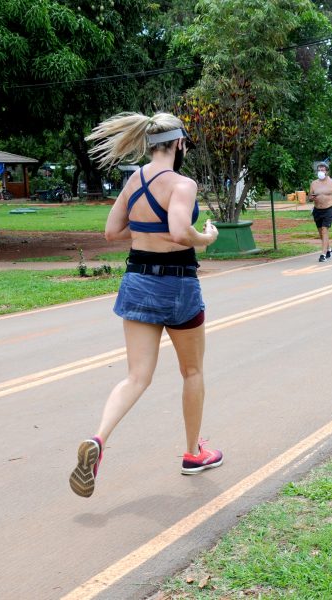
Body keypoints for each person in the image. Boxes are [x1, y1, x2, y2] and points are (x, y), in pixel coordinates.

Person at [69, 112, 222, 499]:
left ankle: (98, 439)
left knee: (137, 376)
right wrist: (205, 237)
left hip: (137, 281)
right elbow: (177, 231)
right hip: (178, 285)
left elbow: (110, 232)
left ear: (150, 143)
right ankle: (193, 453)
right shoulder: (182, 184)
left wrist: (145, 233)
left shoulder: (132, 181)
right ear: (179, 144)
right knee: (191, 371)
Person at [308, 161, 332, 262]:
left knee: (324, 230)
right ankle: (328, 249)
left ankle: (323, 255)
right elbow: (309, 197)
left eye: (322, 170)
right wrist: (311, 198)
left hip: (328, 209)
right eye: (319, 170)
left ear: (326, 171)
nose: (320, 172)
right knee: (321, 233)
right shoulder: (314, 184)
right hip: (317, 210)